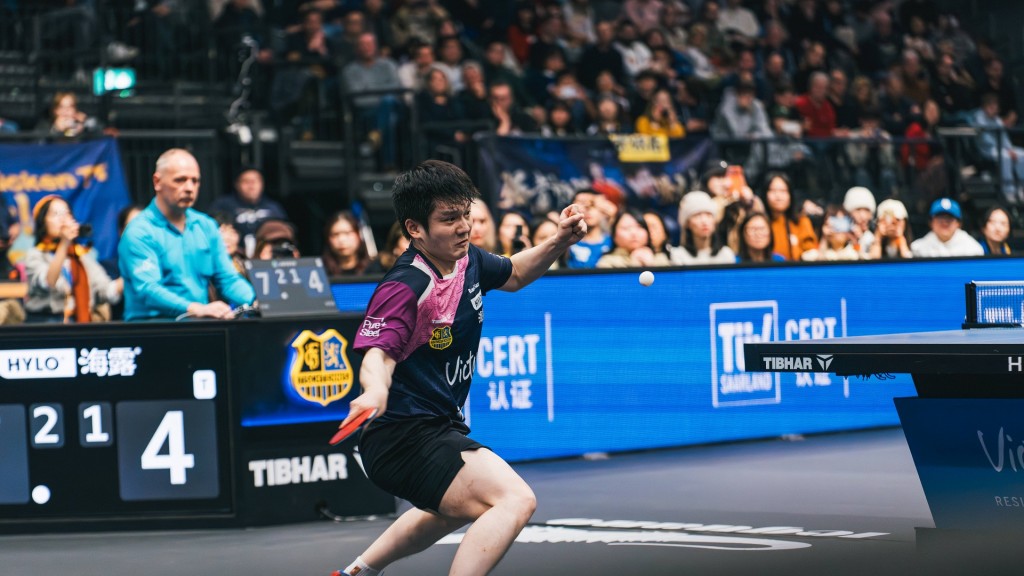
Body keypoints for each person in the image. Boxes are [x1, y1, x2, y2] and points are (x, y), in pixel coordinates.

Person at [332, 159, 586, 576]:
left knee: (450, 509)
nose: (464, 226)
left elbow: (517, 273)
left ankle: (355, 572)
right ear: (415, 228)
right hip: (400, 436)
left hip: (436, 426)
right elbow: (378, 353)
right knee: (513, 499)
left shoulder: (466, 261)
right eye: (449, 219)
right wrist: (374, 389)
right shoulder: (407, 284)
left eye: (466, 213)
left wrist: (559, 240)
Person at [119, 148, 255, 321]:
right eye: (180, 180)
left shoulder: (206, 226)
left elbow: (228, 279)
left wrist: (258, 302)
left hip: (198, 328)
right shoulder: (139, 231)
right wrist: (195, 308)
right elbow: (148, 290)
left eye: (195, 181)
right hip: (151, 332)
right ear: (157, 182)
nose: (189, 188)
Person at [24, 195, 121, 323]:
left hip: (77, 326)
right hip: (46, 325)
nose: (63, 219)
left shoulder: (81, 257)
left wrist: (131, 274)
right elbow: (48, 282)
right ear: (43, 222)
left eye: (67, 213)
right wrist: (65, 243)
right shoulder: (36, 254)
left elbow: (106, 291)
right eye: (55, 214)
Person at [208, 167, 289, 258]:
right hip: (234, 257)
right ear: (237, 184)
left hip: (268, 260)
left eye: (255, 181)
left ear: (262, 183)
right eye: (246, 182)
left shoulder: (273, 208)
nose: (251, 186)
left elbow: (286, 236)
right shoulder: (223, 206)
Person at [670, 191, 736, 265]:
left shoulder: (726, 254)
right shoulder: (678, 255)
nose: (704, 221)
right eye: (697, 215)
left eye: (708, 215)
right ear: (687, 223)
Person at [763, 173, 818, 260]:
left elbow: (811, 253)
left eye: (783, 191)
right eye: (772, 190)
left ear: (790, 195)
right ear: (765, 194)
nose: (778, 196)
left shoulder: (802, 221)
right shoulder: (761, 223)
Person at [596, 208, 671, 268]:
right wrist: (633, 267)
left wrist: (651, 265)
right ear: (614, 235)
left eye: (639, 227)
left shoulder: (661, 259)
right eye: (626, 228)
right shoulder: (607, 262)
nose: (634, 233)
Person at [910, 198, 984, 258]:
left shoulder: (973, 249)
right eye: (940, 218)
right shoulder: (917, 248)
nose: (944, 223)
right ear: (931, 222)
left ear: (958, 224)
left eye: (949, 219)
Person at [565, 189, 612, 268]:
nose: (587, 208)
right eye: (581, 203)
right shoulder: (565, 242)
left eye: (593, 204)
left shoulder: (614, 242)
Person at [322, 211, 371, 276]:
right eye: (335, 234)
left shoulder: (374, 268)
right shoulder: (321, 271)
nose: (341, 240)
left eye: (347, 233)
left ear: (359, 235)